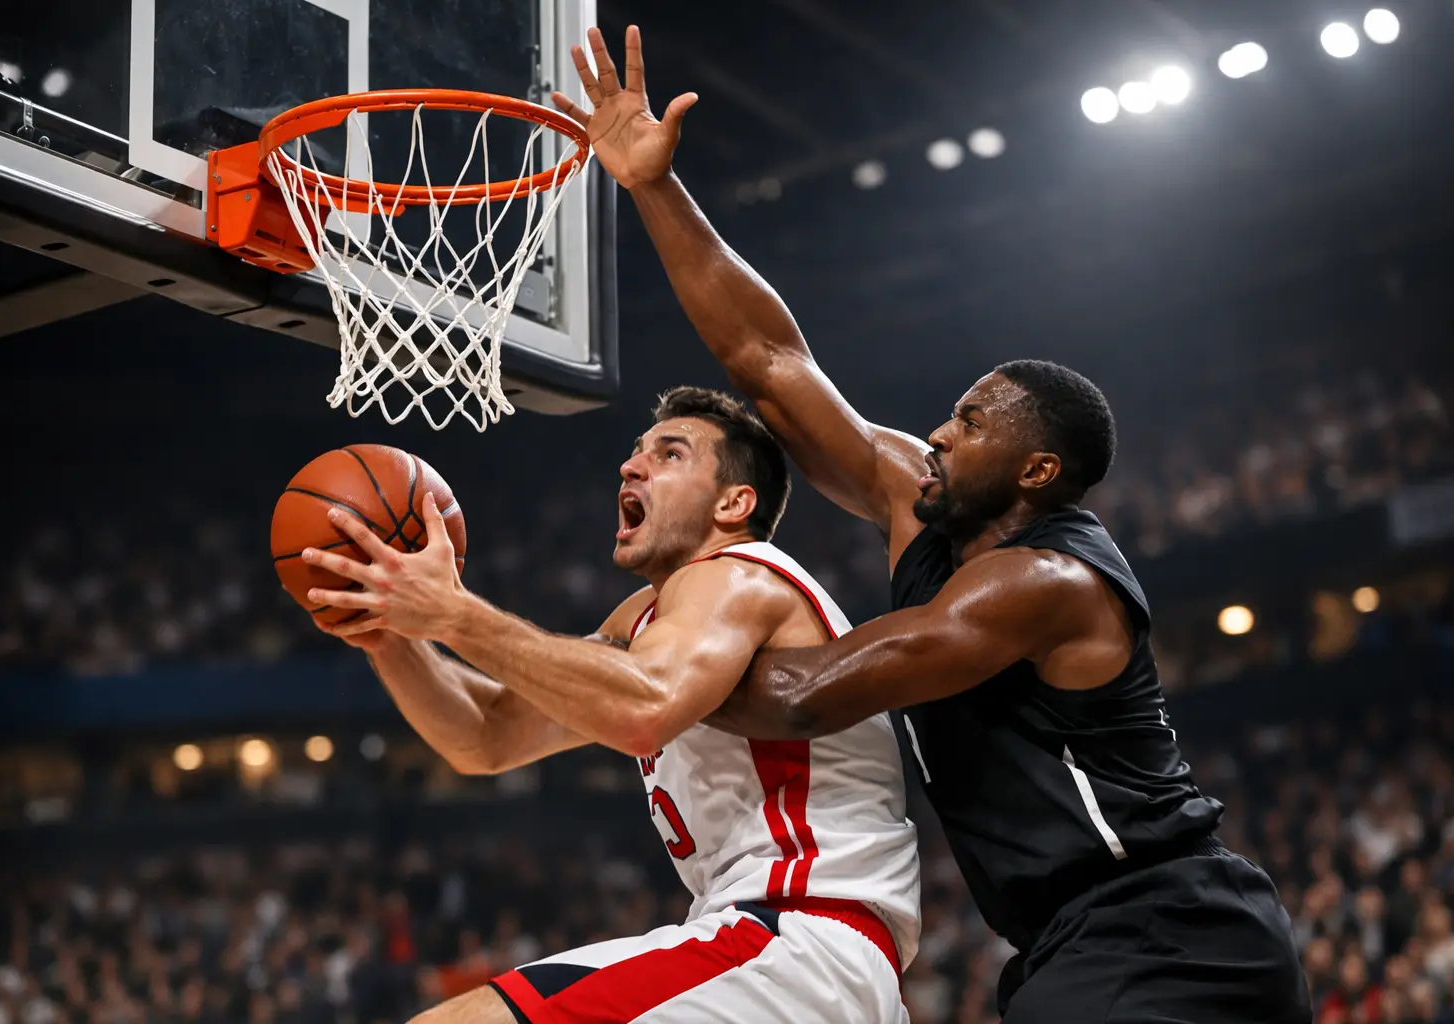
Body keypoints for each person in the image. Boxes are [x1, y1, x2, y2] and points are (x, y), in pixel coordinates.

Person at [557, 24, 1313, 1024]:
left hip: (1169, 925)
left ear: (1036, 471)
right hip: (1068, 942)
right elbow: (769, 362)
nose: (935, 433)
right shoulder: (925, 505)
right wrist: (652, 185)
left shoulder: (1040, 583)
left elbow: (806, 695)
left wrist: (659, 667)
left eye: (968, 423)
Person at [300, 387, 919, 1023]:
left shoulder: (740, 574)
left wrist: (453, 615)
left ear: (735, 503)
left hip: (797, 939)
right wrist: (386, 634)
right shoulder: (647, 620)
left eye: (670, 454)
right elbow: (485, 736)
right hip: (815, 962)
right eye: (635, 452)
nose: (631, 466)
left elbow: (644, 709)